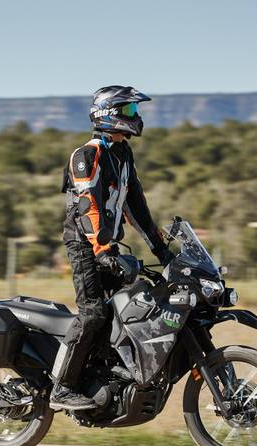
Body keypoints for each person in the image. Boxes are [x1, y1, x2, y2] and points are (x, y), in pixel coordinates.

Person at [51, 85, 174, 410]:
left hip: (108, 247)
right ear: (109, 114)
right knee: (93, 311)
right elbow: (87, 208)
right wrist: (103, 251)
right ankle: (62, 387)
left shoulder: (122, 155)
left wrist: (164, 253)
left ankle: (104, 376)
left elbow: (137, 209)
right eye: (130, 111)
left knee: (131, 307)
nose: (136, 117)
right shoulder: (86, 156)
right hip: (84, 246)